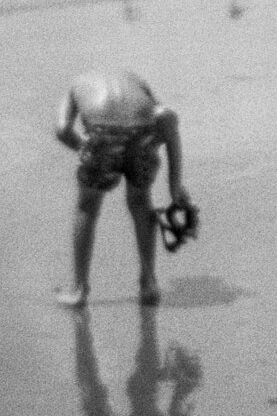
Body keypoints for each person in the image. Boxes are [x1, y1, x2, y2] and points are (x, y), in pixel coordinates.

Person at [54, 69, 190, 309]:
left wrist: (83, 147)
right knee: (140, 203)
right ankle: (148, 283)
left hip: (101, 133)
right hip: (143, 132)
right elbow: (167, 121)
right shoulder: (137, 82)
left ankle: (79, 290)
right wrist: (175, 185)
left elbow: (62, 129)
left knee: (87, 208)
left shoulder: (76, 84)